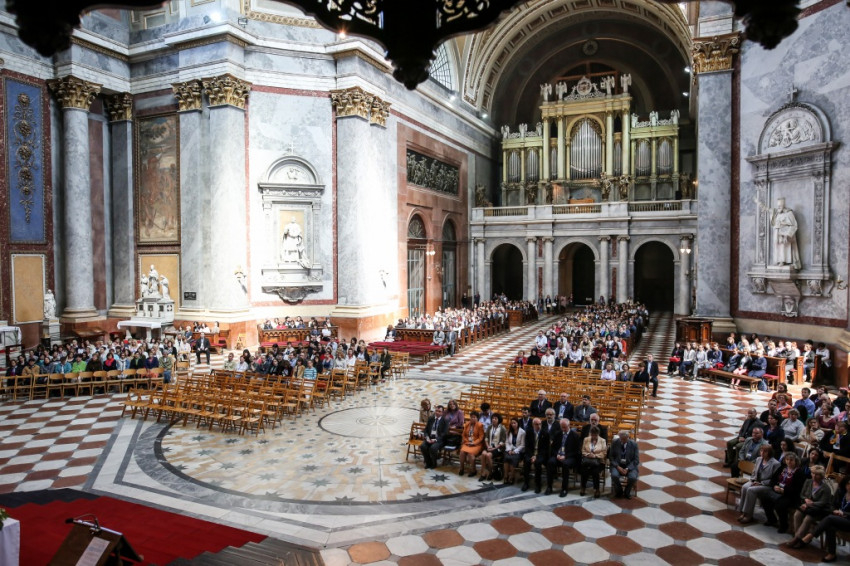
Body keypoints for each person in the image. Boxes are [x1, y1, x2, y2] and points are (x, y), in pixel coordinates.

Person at [799, 481, 850, 562]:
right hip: (837, 517)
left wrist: (844, 513)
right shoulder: (841, 492)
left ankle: (809, 536)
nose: (849, 486)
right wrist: (834, 510)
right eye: (848, 483)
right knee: (830, 526)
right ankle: (832, 554)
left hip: (848, 520)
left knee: (829, 518)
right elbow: (831, 505)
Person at [786, 466, 833, 548]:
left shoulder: (826, 488)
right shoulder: (808, 481)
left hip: (818, 511)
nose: (814, 476)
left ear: (821, 476)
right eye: (813, 473)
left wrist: (811, 504)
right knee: (797, 515)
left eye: (817, 474)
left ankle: (797, 539)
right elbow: (802, 494)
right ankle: (798, 537)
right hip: (807, 507)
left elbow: (823, 502)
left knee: (808, 518)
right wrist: (805, 500)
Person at [760, 451, 805, 533]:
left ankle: (784, 525)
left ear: (795, 461)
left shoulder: (799, 472)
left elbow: (797, 488)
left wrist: (784, 490)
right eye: (787, 459)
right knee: (764, 497)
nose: (789, 462)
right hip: (777, 490)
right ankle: (771, 519)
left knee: (780, 505)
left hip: (790, 495)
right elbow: (773, 479)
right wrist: (774, 486)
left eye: (791, 460)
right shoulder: (782, 468)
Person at [737, 444, 780, 524]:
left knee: (751, 490)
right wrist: (753, 480)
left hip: (766, 485)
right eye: (761, 450)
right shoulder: (758, 459)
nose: (762, 453)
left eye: (765, 451)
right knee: (745, 487)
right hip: (755, 481)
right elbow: (754, 472)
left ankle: (749, 515)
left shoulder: (775, 463)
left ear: (770, 452)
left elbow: (774, 480)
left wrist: (761, 483)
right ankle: (743, 512)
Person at [547, 418, 581, 497]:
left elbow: (576, 451)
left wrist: (565, 456)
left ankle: (564, 488)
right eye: (562, 427)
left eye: (565, 427)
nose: (563, 429)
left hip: (569, 457)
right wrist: (557, 455)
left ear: (569, 426)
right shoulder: (558, 434)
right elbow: (553, 448)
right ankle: (549, 487)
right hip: (558, 455)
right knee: (550, 462)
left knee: (565, 465)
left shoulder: (575, 435)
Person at [771, 197, 801, 268]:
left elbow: (794, 225)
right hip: (777, 234)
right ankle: (780, 260)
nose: (779, 207)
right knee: (779, 247)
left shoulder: (789, 213)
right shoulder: (777, 214)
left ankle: (786, 261)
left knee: (785, 246)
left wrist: (787, 234)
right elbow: (774, 222)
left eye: (780, 206)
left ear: (783, 206)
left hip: (786, 234)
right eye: (778, 206)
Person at [610, 430, 640, 499]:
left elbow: (636, 460)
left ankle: (627, 491)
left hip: (629, 465)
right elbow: (611, 457)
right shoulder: (615, 442)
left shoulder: (634, 445)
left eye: (624, 439)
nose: (622, 441)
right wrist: (617, 467)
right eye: (621, 439)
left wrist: (627, 469)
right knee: (614, 475)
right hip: (617, 465)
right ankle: (619, 491)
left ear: (627, 438)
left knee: (632, 477)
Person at [522, 418, 549, 493]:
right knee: (526, 462)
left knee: (538, 463)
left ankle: (538, 484)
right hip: (530, 453)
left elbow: (545, 448)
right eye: (537, 424)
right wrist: (532, 455)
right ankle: (526, 483)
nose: (539, 426)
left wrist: (536, 456)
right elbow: (527, 446)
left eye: (540, 424)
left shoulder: (545, 433)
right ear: (533, 425)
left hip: (540, 454)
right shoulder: (529, 432)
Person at [580, 426, 607, 498]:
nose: (594, 436)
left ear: (598, 434)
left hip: (598, 461)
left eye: (595, 435)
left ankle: (597, 489)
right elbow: (583, 451)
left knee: (595, 471)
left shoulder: (602, 441)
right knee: (584, 470)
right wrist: (588, 454)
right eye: (592, 435)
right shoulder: (586, 439)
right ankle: (583, 487)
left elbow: (604, 453)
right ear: (590, 433)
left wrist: (595, 456)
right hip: (587, 460)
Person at [479, 413, 506, 481]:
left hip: (498, 448)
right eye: (493, 418)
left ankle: (490, 472)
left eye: (495, 418)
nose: (493, 420)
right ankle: (483, 473)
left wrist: (494, 448)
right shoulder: (489, 427)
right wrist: (488, 446)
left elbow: (503, 441)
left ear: (499, 420)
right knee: (483, 454)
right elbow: (486, 438)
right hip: (489, 446)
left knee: (488, 455)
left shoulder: (502, 428)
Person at [421, 405, 448, 469]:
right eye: (436, 411)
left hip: (439, 440)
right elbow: (426, 430)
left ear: (442, 413)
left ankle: (434, 463)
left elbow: (444, 434)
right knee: (423, 446)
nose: (437, 412)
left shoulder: (445, 420)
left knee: (433, 448)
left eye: (439, 411)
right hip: (430, 438)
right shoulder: (431, 418)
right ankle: (428, 463)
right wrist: (427, 437)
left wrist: (435, 440)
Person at [503, 417, 526, 485]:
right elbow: (507, 442)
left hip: (519, 451)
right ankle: (506, 476)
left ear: (517, 423)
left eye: (514, 423)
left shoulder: (522, 432)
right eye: (512, 423)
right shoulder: (509, 431)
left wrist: (515, 451)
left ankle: (511, 477)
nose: (513, 424)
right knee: (506, 458)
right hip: (509, 449)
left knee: (512, 459)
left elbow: (522, 445)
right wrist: (509, 450)